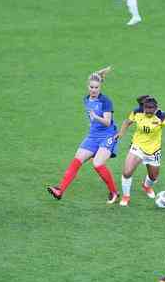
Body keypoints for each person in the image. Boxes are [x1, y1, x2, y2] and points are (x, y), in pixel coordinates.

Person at [47, 66, 119, 203]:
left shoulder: (105, 101)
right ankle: (60, 190)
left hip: (107, 135)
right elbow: (96, 78)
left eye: (96, 87)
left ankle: (114, 192)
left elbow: (107, 122)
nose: (93, 90)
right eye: (91, 87)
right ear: (88, 86)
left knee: (98, 164)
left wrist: (95, 117)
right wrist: (99, 73)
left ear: (100, 88)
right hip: (93, 136)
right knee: (77, 159)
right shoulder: (87, 99)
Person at [114, 95, 165, 207]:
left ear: (156, 108)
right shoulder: (137, 112)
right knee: (127, 172)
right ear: (144, 107)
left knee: (153, 177)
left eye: (152, 109)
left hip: (153, 151)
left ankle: (146, 186)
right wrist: (121, 133)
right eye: (147, 109)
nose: (150, 111)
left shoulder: (161, 116)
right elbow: (127, 122)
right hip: (138, 147)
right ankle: (126, 196)